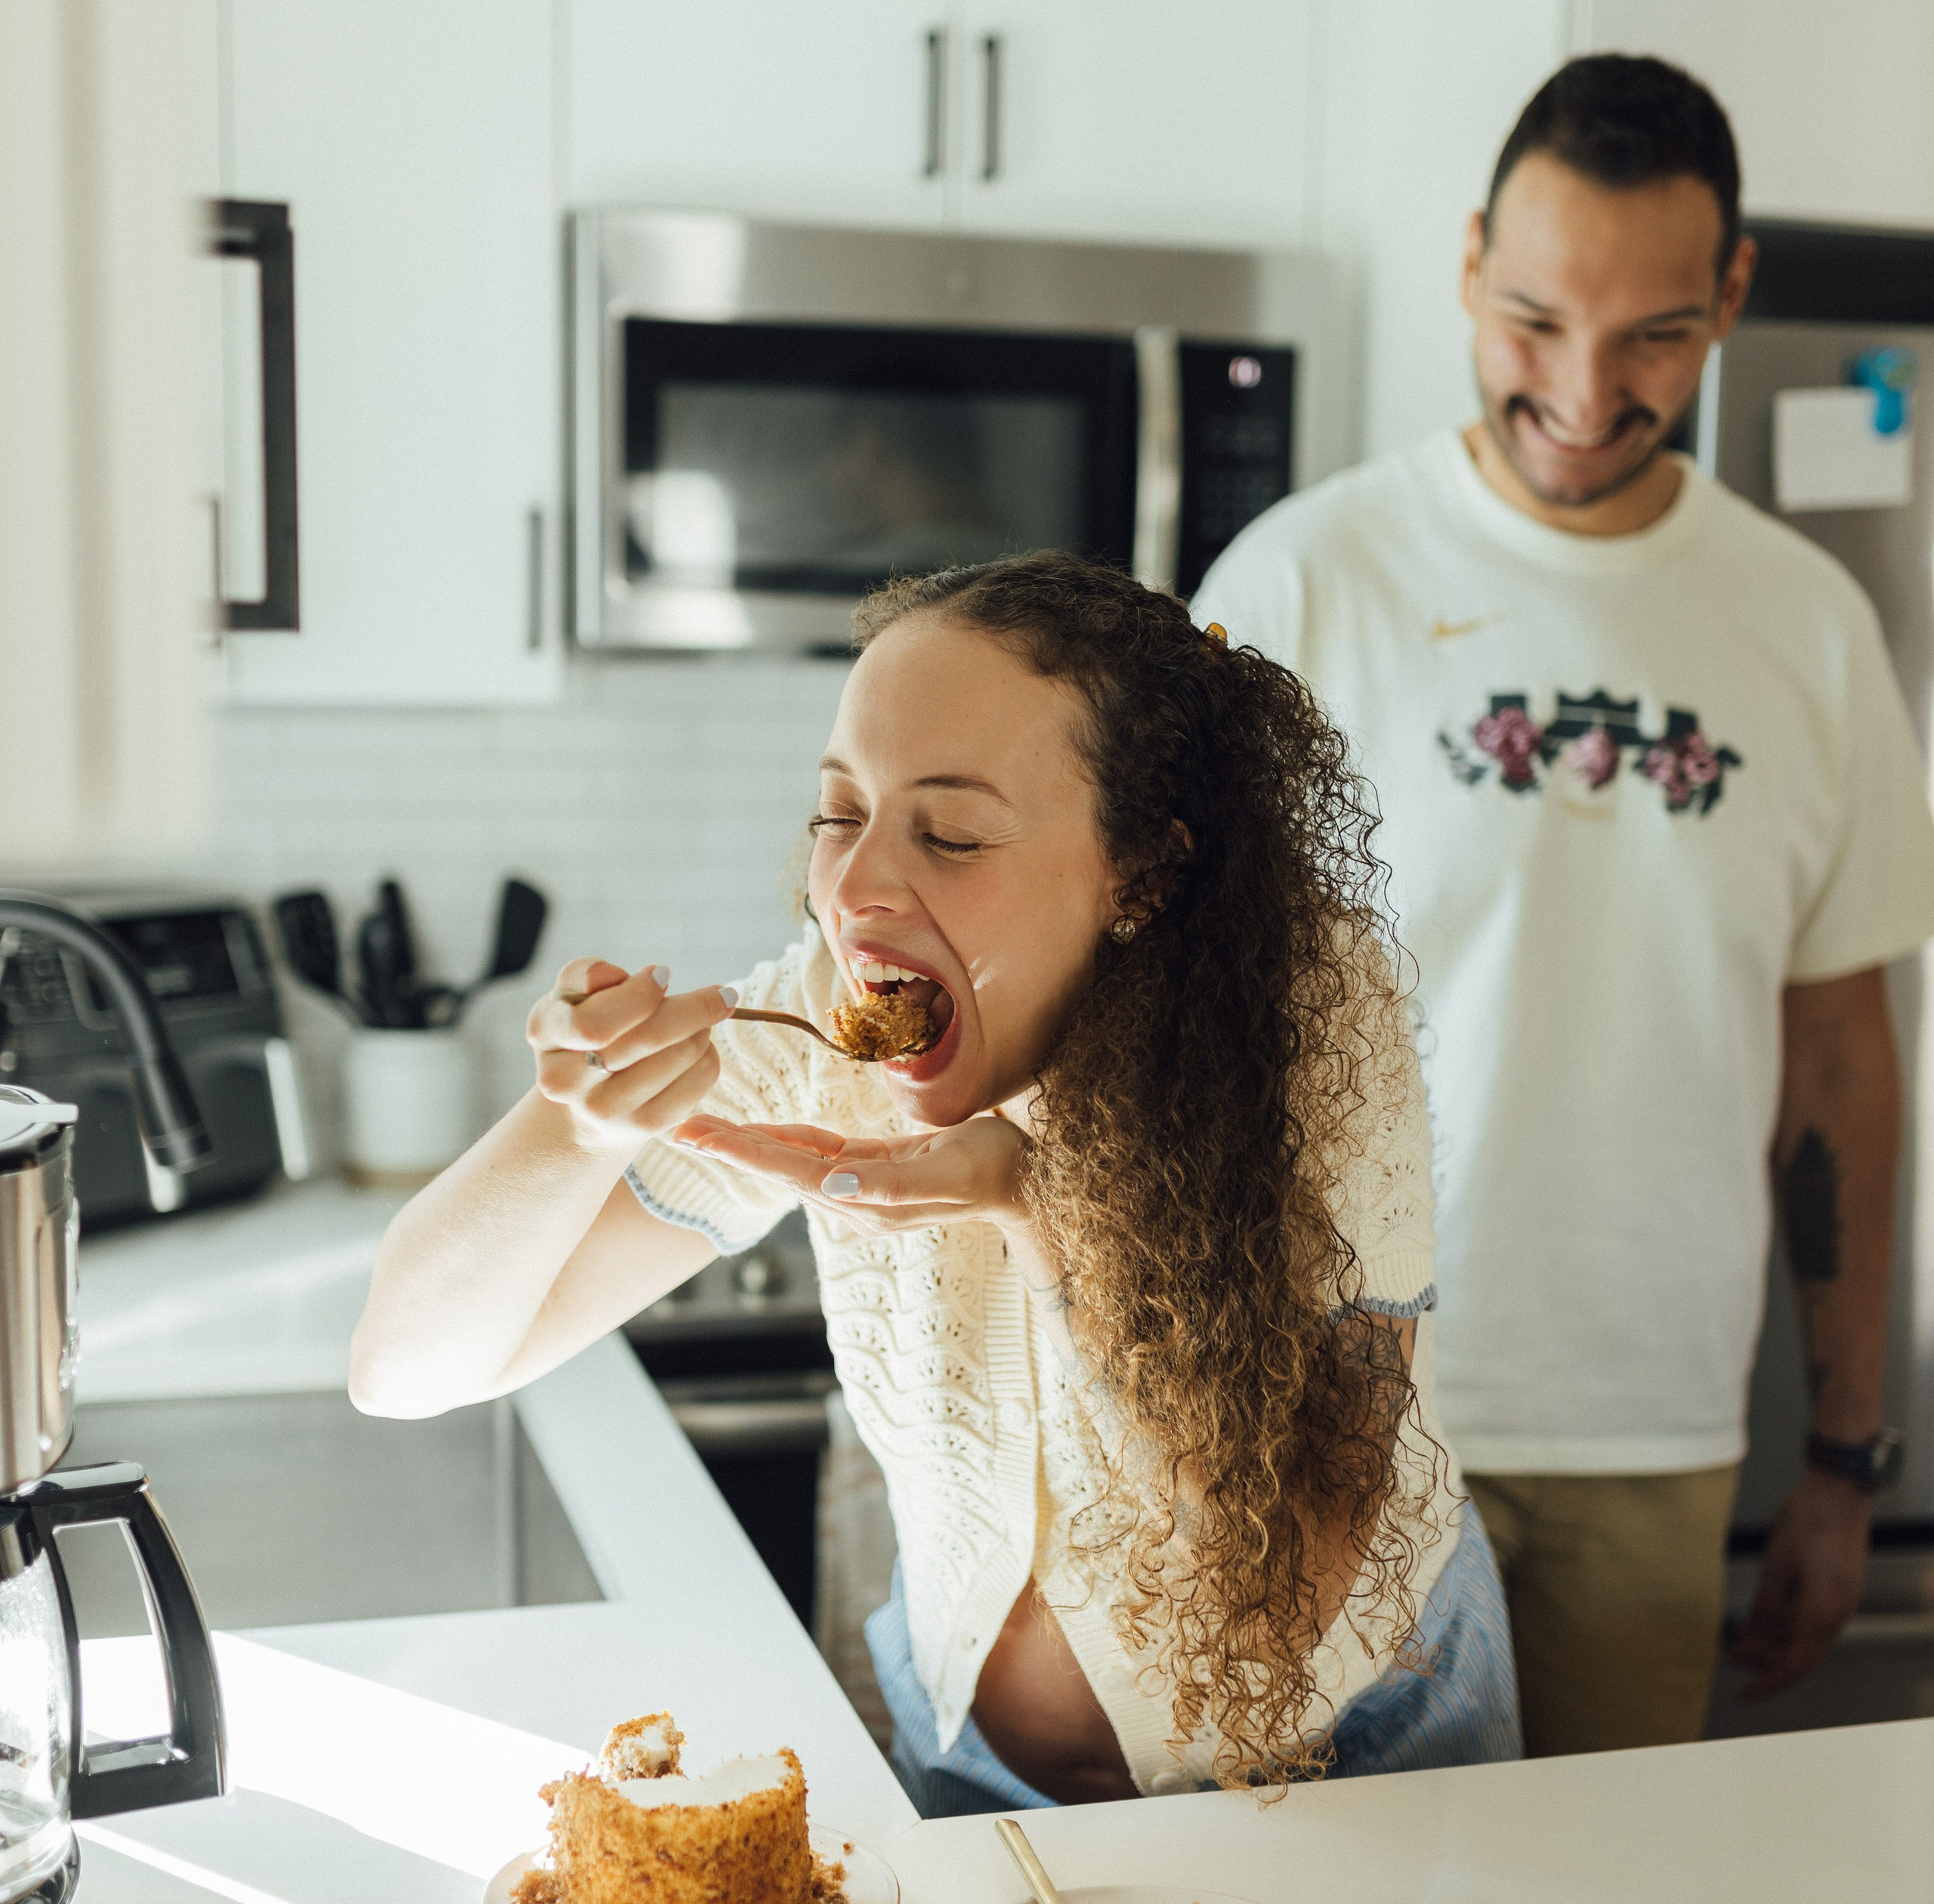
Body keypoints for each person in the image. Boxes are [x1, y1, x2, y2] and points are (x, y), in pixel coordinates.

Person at [351, 555, 1520, 1811]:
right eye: (839, 814)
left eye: (950, 834)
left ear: (1143, 874)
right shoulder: (820, 1017)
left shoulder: (1301, 1013)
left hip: (1348, 1754)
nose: (853, 891)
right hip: (968, 1765)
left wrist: (1037, 1208)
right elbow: (406, 1371)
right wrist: (570, 1124)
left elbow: (1292, 1583)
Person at [1197, 51, 1934, 1760]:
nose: (1584, 390)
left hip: (1653, 1430)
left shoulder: (1808, 626)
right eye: (1530, 321)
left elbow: (1836, 1062)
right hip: (1333, 1413)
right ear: (1465, 265)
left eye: (1653, 337)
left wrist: (1839, 1459)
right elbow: (1166, 1010)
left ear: (1731, 295)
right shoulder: (1302, 582)